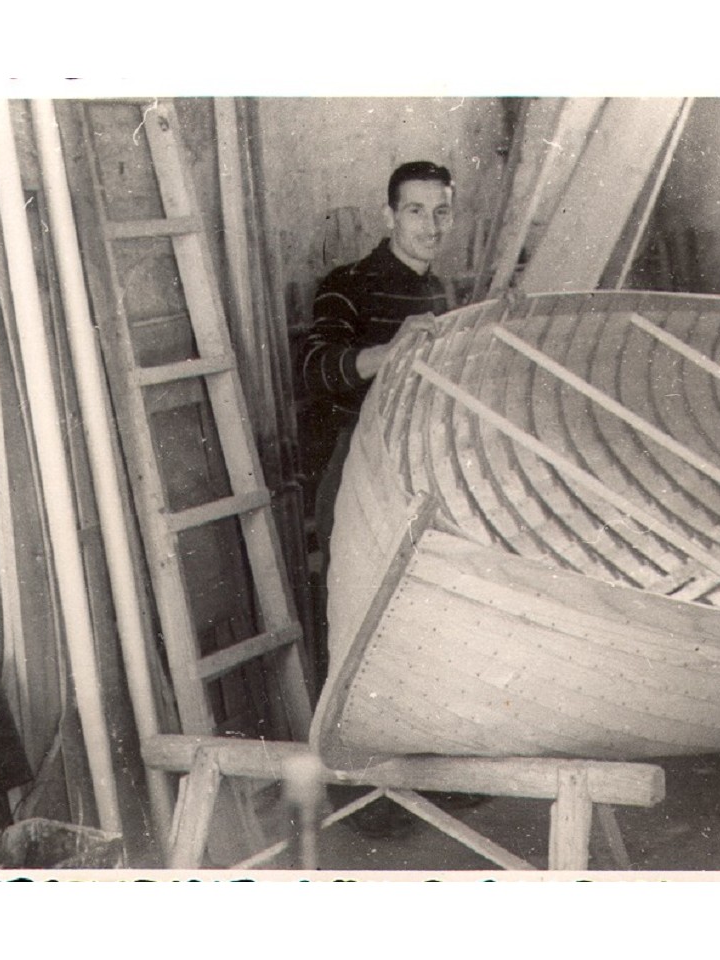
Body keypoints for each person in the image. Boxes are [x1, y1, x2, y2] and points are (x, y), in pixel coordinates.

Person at [300, 161, 482, 840]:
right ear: (389, 216)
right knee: (357, 622)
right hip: (352, 475)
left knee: (423, 621)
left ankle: (425, 783)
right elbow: (318, 371)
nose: (430, 226)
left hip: (419, 475)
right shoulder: (345, 286)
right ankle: (361, 800)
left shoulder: (440, 294)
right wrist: (391, 352)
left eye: (441, 212)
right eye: (415, 211)